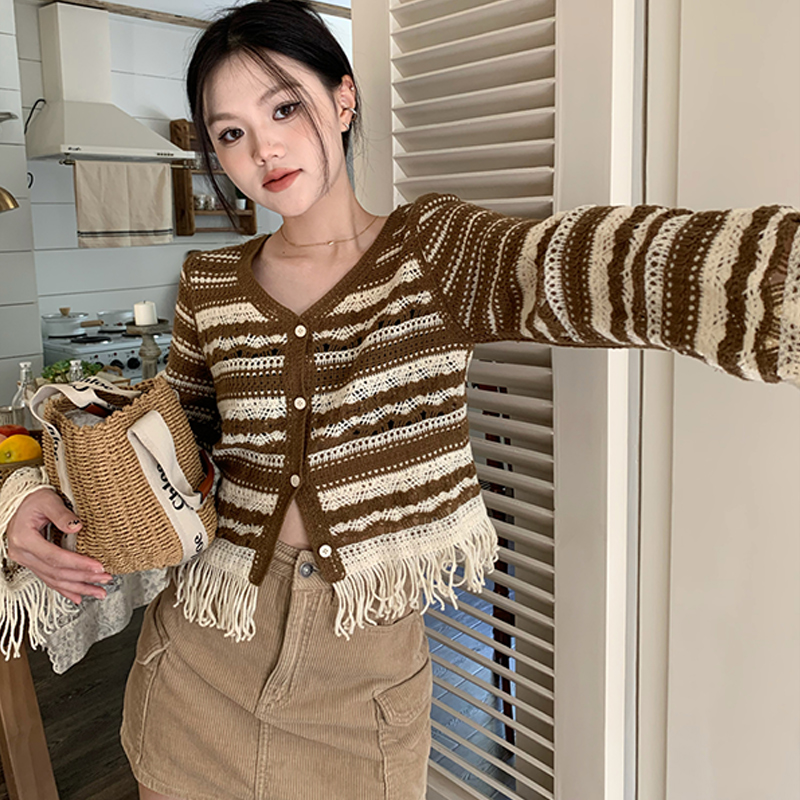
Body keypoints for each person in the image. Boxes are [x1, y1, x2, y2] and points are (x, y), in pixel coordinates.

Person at [2, 1, 800, 799]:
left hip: (361, 688)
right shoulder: (210, 283)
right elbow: (161, 448)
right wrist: (24, 495)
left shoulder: (434, 252)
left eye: (284, 108)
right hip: (201, 663)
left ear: (343, 99)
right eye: (231, 132)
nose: (264, 149)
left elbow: (597, 264)